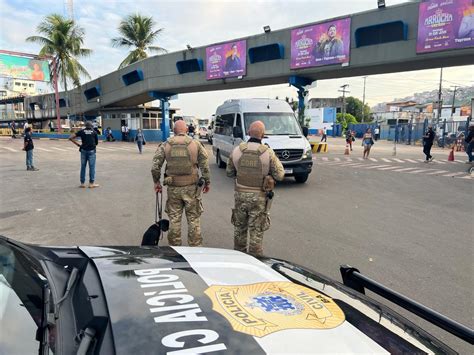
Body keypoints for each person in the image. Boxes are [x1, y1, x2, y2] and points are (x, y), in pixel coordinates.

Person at [226, 121, 285, 256]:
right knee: (256, 232)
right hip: (259, 197)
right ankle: (255, 260)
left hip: (240, 195)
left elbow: (229, 173)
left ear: (248, 133)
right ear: (263, 135)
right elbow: (280, 175)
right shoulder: (268, 153)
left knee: (239, 229)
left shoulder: (237, 150)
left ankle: (239, 256)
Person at [151, 120, 210, 247]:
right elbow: (205, 166)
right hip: (192, 189)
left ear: (174, 130)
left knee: (174, 220)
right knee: (194, 220)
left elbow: (155, 167)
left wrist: (157, 182)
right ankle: (195, 249)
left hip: (173, 189)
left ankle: (175, 249)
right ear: (186, 130)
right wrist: (207, 182)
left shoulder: (165, 145)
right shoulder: (196, 144)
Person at [69, 121, 99, 188]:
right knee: (92, 167)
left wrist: (77, 145)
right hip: (91, 151)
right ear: (91, 126)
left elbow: (70, 137)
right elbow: (96, 143)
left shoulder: (82, 131)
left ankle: (82, 183)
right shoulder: (94, 132)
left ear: (85, 126)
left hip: (83, 151)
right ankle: (91, 184)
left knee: (83, 167)